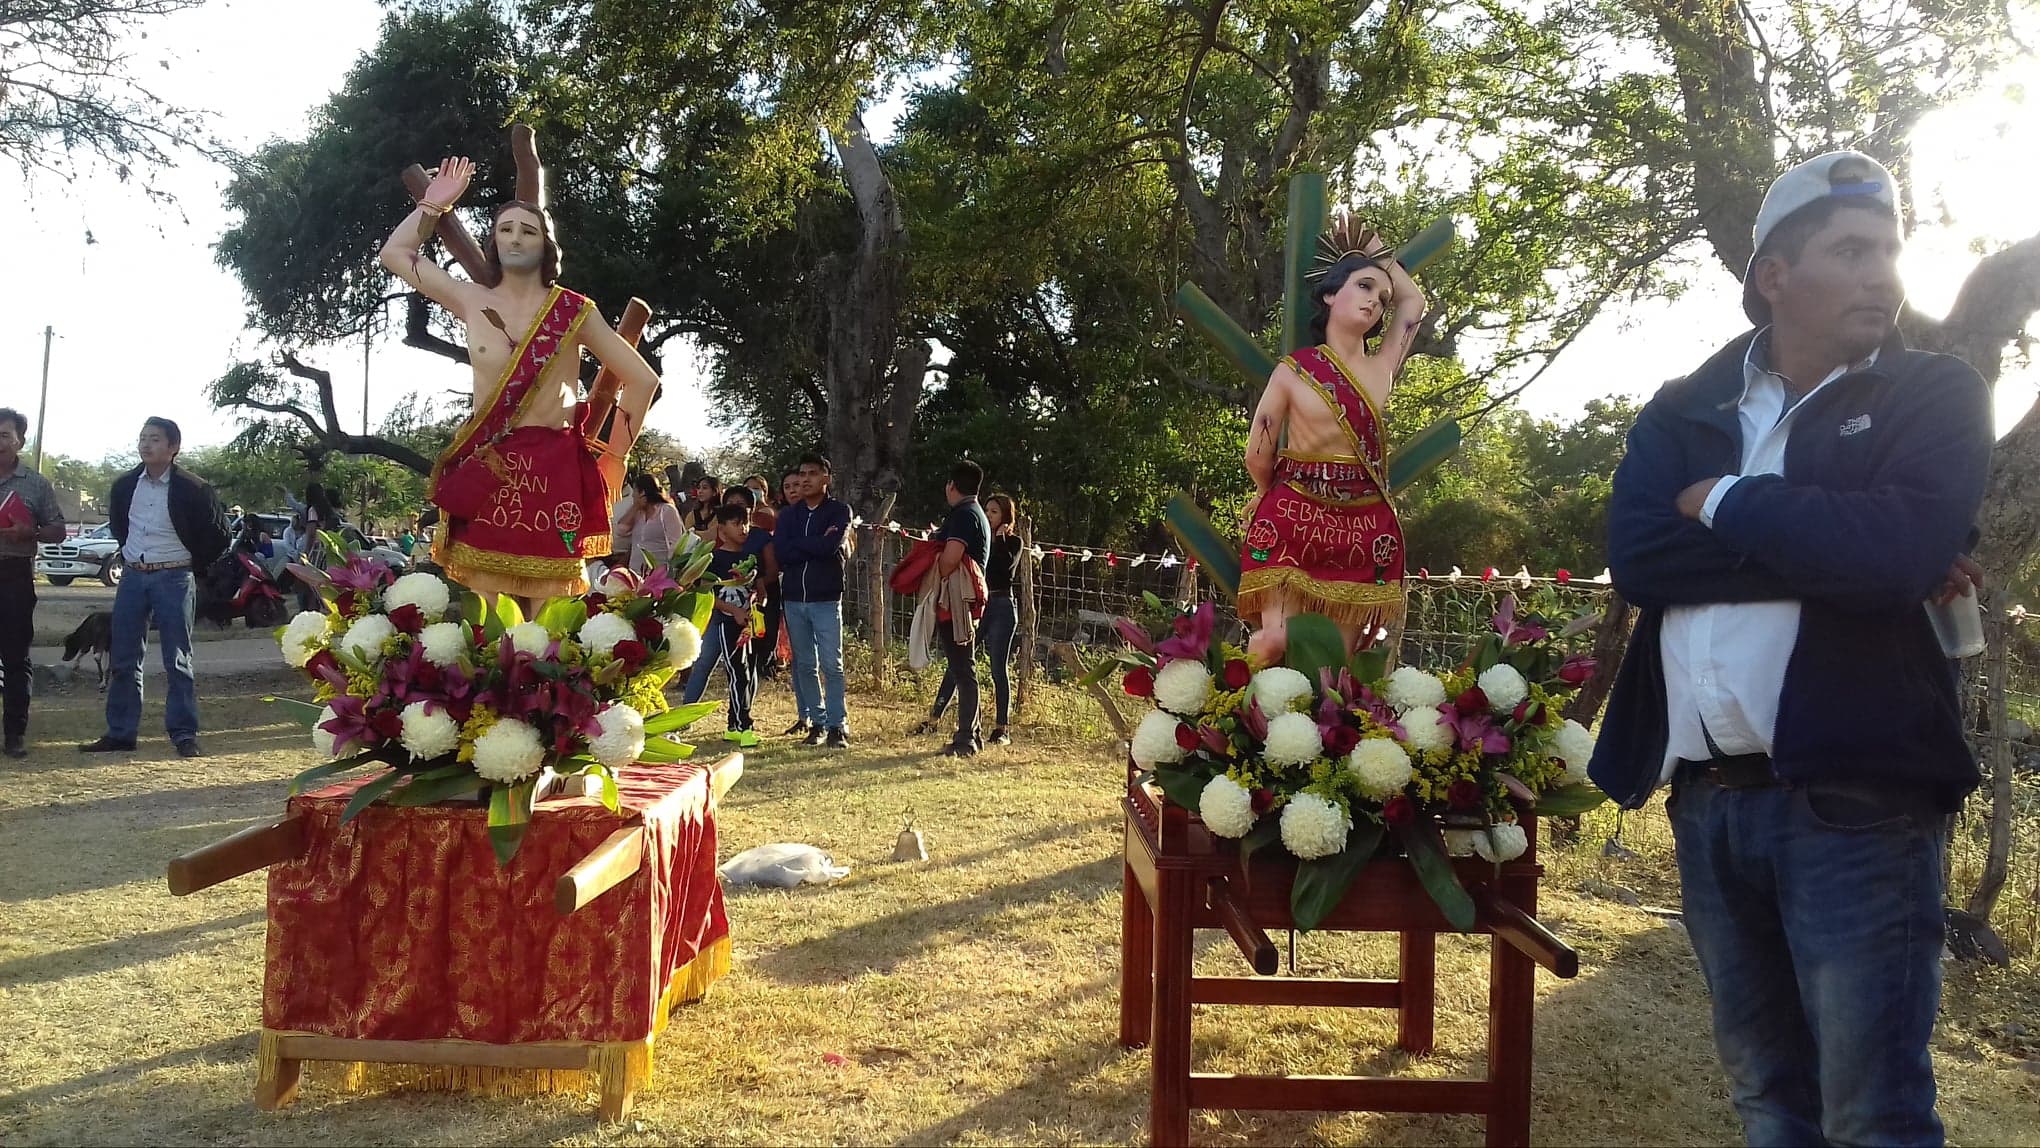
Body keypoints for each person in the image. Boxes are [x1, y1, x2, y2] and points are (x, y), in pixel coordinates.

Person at [1590, 152, 1994, 1148]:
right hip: (1712, 803)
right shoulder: (1689, 402)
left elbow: (1898, 552)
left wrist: (1727, 502)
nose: (1882, 274)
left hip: (1860, 806)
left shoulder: (1931, 393)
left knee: (1875, 1114)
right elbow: (1640, 556)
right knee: (1771, 1103)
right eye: (1851, 251)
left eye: (1891, 250)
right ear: (1775, 274)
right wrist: (1836, 543)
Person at [379, 155, 661, 604]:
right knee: (489, 613)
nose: (515, 237)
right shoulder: (470, 298)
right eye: (505, 229)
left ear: (547, 246)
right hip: (490, 468)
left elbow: (642, 380)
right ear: (492, 240)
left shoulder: (574, 312)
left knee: (548, 613)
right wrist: (432, 206)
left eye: (528, 230)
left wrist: (614, 458)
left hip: (555, 474)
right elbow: (395, 255)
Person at [1238, 219, 1425, 663]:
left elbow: (1412, 300)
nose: (1374, 302)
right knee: (1273, 641)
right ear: (1329, 294)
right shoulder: (1295, 369)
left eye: (1380, 297)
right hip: (1293, 511)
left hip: (1360, 524)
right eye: (1362, 286)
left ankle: (1318, 732)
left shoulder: (1382, 371)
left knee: (1333, 664)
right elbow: (1258, 450)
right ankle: (1232, 719)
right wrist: (1265, 495)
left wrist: (1375, 251)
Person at [81, 417, 231, 758]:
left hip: (174, 577)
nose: (146, 445)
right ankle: (121, 732)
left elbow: (220, 534)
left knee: (177, 658)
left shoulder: (193, 488)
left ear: (173, 447)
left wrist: (193, 563)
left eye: (155, 439)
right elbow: (121, 527)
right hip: (133, 576)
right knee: (124, 657)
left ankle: (183, 733)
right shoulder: (124, 486)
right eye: (143, 438)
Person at [917, 490, 1020, 748]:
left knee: (998, 668)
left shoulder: (1013, 542)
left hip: (1002, 606)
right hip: (977, 603)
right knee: (959, 662)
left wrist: (1000, 539)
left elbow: (1004, 568)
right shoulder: (979, 538)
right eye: (987, 510)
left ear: (1006, 517)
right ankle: (934, 718)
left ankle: (1001, 727)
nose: (989, 515)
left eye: (995, 512)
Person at [0, 407, 67, 758]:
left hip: (13, 573)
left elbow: (58, 529)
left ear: (19, 440)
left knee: (15, 656)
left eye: (4, 435)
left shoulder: (36, 484)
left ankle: (14, 734)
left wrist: (32, 532)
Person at [774, 453, 852, 748]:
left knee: (832, 664)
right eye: (802, 474)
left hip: (825, 599)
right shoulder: (788, 516)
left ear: (826, 479)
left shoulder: (838, 511)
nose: (805, 479)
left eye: (812, 474)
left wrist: (802, 545)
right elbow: (782, 552)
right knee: (805, 664)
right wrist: (813, 545)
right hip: (794, 598)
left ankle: (837, 724)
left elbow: (831, 546)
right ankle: (817, 723)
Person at [682, 505, 761, 748]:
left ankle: (734, 724)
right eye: (737, 524)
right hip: (727, 623)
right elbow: (707, 595)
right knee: (737, 672)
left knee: (749, 672)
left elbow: (758, 589)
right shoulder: (714, 559)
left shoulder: (750, 557)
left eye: (746, 523)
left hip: (749, 623)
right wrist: (734, 610)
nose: (743, 528)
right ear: (722, 530)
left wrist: (756, 601)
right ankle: (744, 724)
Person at [926, 462, 992, 757]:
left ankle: (966, 738)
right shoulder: (974, 513)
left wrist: (932, 576)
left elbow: (951, 558)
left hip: (956, 600)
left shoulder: (963, 515)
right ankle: (971, 733)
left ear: (951, 485)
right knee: (962, 667)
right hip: (964, 600)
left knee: (964, 669)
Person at [622, 471, 685, 572]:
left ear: (642, 493)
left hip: (658, 574)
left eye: (635, 491)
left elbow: (675, 544)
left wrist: (671, 573)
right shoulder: (638, 513)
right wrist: (635, 507)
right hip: (635, 574)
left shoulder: (666, 510)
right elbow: (621, 530)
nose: (633, 495)